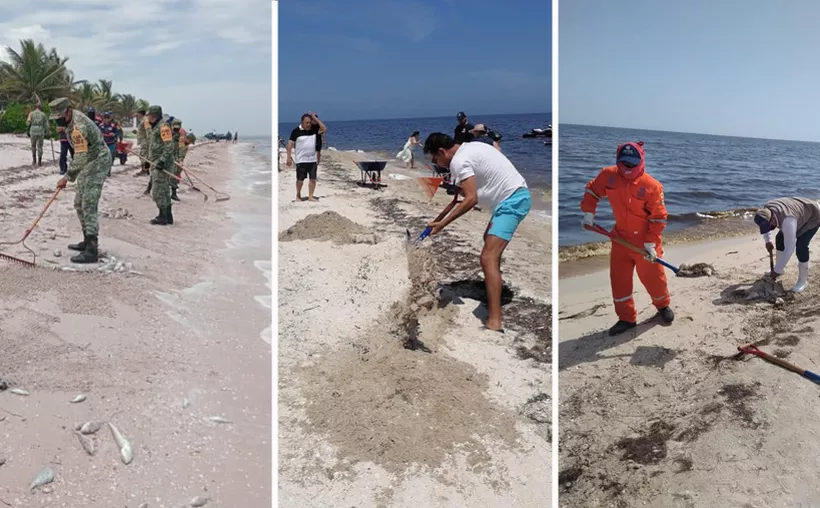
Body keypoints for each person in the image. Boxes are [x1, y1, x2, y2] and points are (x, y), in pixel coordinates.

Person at [423, 133, 531, 332]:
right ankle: (493, 287)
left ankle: (495, 321)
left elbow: (471, 199)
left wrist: (443, 225)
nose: (438, 164)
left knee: (488, 257)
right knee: (488, 245)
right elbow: (460, 198)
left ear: (441, 151)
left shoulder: (459, 161)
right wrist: (438, 221)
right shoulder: (470, 148)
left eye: (435, 160)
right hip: (513, 197)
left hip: (512, 201)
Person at [580, 141, 674, 336]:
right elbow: (592, 190)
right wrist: (588, 213)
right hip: (620, 238)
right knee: (619, 280)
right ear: (618, 161)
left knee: (654, 278)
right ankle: (626, 319)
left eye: (633, 163)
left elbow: (658, 217)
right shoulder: (609, 176)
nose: (629, 168)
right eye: (625, 163)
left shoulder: (652, 186)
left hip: (646, 242)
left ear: (641, 161)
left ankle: (663, 306)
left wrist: (650, 242)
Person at [50, 97, 110, 263]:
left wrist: (67, 177)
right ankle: (86, 240)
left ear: (68, 111)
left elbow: (81, 157)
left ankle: (92, 250)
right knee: (78, 203)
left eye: (60, 116)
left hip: (98, 161)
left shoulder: (78, 127)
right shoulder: (70, 121)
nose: (58, 120)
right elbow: (80, 156)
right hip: (88, 161)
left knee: (88, 203)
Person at [754, 197, 820, 293]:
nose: (770, 228)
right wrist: (767, 241)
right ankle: (780, 270)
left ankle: (803, 280)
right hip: (797, 212)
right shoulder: (766, 211)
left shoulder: (788, 221)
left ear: (772, 217)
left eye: (769, 225)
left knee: (801, 246)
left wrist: (775, 271)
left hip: (814, 216)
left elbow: (789, 249)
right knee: (779, 239)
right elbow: (765, 224)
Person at [286, 111, 327, 202]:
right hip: (301, 159)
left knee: (313, 179)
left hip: (312, 159)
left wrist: (315, 118)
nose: (308, 124)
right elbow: (290, 144)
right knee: (300, 179)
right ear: (302, 122)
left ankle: (311, 196)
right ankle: (298, 195)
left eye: (309, 122)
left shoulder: (314, 129)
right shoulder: (296, 131)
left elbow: (324, 129)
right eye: (306, 123)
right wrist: (288, 157)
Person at [146, 105, 175, 225]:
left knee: (158, 190)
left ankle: (162, 216)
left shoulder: (163, 126)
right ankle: (168, 216)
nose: (148, 118)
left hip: (161, 165)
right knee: (164, 190)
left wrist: (162, 161)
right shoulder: (155, 127)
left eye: (149, 116)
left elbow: (169, 145)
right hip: (155, 162)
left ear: (155, 116)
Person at [170, 118, 186, 201]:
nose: (176, 129)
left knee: (175, 174)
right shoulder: (167, 132)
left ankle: (173, 193)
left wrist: (181, 158)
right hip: (166, 156)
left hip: (175, 157)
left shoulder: (181, 135)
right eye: (174, 127)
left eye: (177, 128)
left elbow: (182, 147)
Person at [133, 108, 150, 176]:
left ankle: (144, 170)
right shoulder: (144, 120)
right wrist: (137, 132)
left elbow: (148, 131)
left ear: (140, 113)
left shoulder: (145, 120)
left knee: (143, 155)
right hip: (144, 140)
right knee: (145, 156)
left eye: (137, 113)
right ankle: (146, 169)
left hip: (145, 141)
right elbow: (143, 132)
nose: (136, 115)